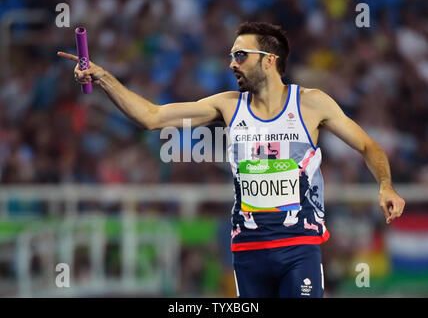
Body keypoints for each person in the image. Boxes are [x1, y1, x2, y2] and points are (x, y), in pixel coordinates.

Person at [58, 22, 405, 298]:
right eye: (230, 56)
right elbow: (152, 117)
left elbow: (368, 146)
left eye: (240, 55)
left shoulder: (312, 104)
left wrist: (385, 185)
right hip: (248, 250)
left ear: (269, 60)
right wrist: (103, 78)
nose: (231, 64)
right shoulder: (227, 106)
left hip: (298, 247)